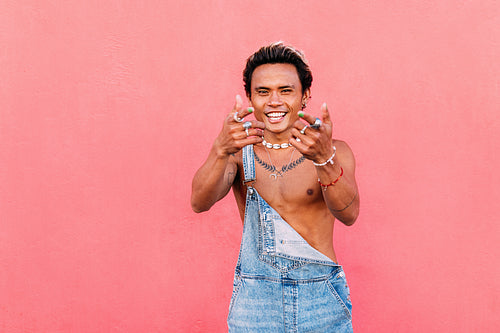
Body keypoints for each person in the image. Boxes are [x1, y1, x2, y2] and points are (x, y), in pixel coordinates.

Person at [191, 42, 359, 332]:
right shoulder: (236, 154)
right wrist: (219, 149)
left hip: (320, 298)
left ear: (305, 95)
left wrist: (324, 160)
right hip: (255, 302)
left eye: (286, 90)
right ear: (250, 98)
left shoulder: (334, 151)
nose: (274, 102)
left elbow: (349, 214)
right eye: (263, 92)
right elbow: (199, 202)